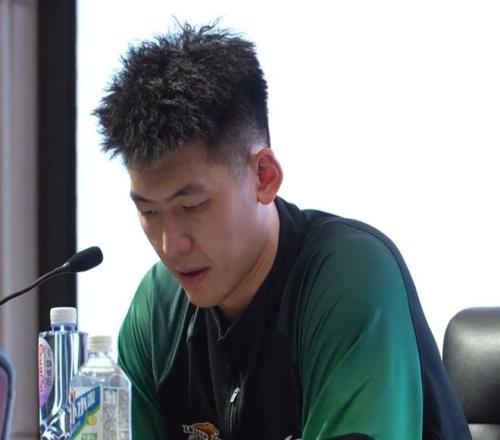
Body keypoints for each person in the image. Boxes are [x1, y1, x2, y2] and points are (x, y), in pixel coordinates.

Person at [93, 22, 471, 440]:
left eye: (193, 206)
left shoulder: (350, 276)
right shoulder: (159, 308)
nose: (171, 245)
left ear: (264, 177)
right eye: (148, 211)